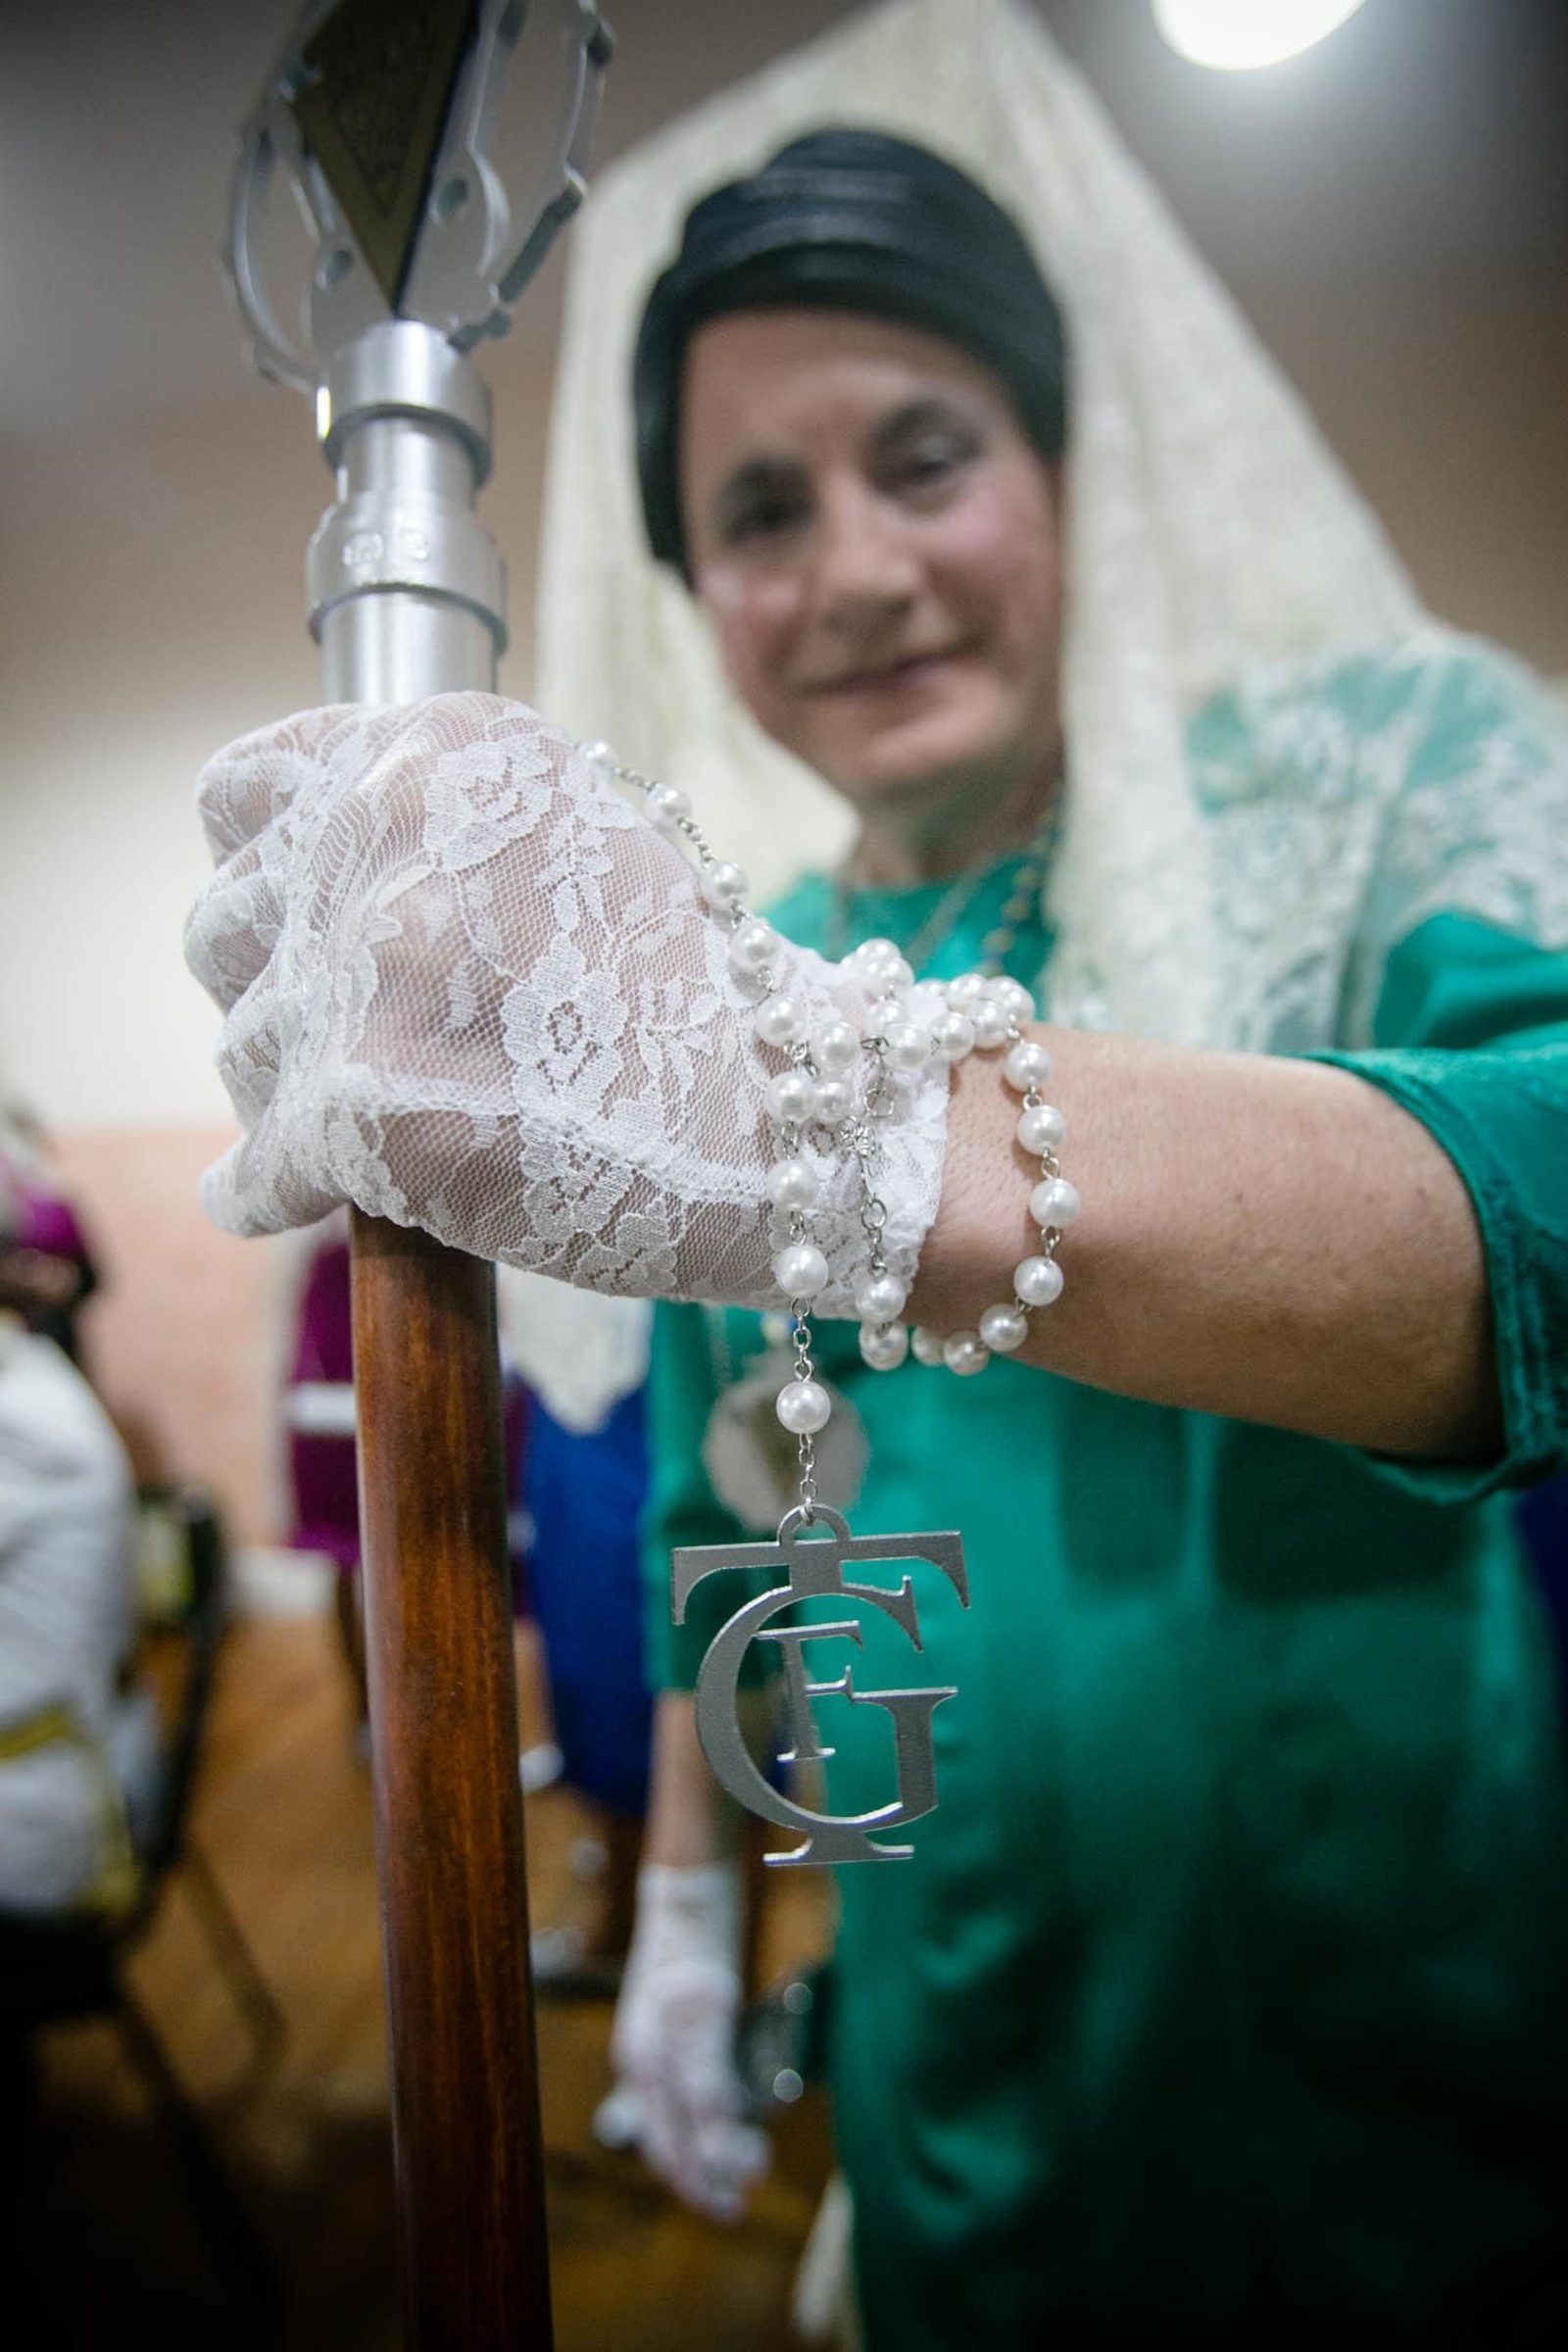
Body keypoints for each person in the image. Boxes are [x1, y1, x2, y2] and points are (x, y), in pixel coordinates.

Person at [183, 2, 1568, 2340]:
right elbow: (735, 1515)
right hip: (961, 2051)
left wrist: (839, 1123)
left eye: (921, 458)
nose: (849, 571)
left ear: (1060, 468)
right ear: (696, 591)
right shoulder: (741, 958)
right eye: (755, 510)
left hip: (1404, 2026)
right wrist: (710, 1913)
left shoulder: (1378, 770)